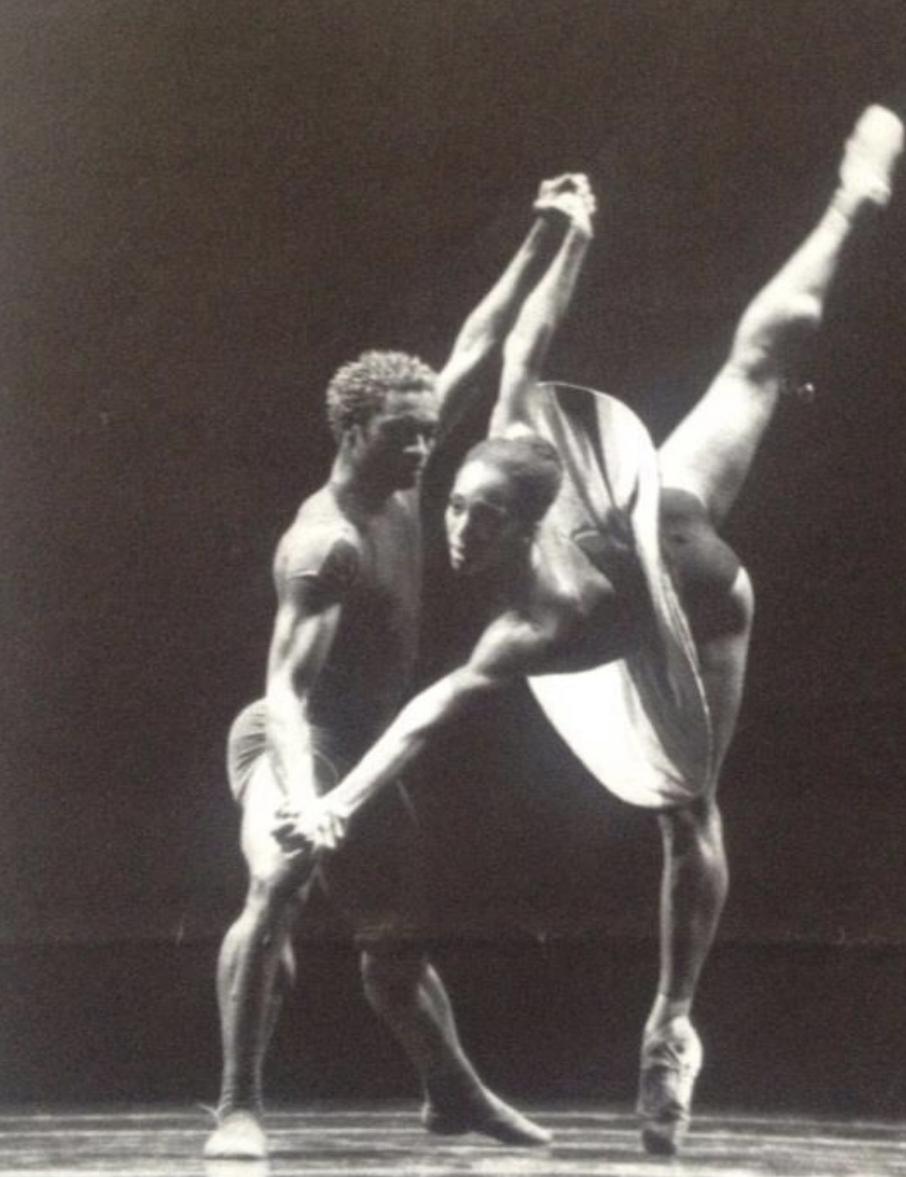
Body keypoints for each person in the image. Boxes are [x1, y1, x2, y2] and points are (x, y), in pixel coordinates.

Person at [275, 106, 905, 1155]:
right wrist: (572, 233)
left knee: (686, 804)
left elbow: (430, 712)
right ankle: (847, 207)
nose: (458, 526)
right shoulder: (515, 460)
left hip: (694, 589)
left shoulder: (542, 606)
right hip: (636, 545)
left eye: (482, 517)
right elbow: (521, 339)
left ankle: (669, 1022)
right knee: (748, 366)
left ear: (528, 519)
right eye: (456, 505)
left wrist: (335, 798)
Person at [205, 175, 598, 1160]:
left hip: (369, 750)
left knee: (395, 946)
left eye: (430, 429)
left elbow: (479, 338)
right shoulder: (326, 539)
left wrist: (547, 232)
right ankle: (237, 1106)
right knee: (278, 883)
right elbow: (286, 693)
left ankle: (453, 1095)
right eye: (407, 433)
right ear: (353, 433)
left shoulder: (406, 469)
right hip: (291, 742)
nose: (429, 444)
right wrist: (304, 796)